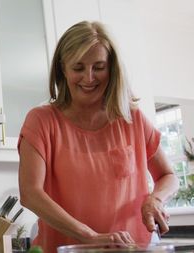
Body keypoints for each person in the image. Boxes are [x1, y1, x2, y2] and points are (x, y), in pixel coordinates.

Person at [18, 21, 179, 253]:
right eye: (79, 68)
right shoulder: (42, 121)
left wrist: (156, 200)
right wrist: (89, 237)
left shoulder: (131, 119)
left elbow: (168, 175)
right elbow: (30, 194)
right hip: (65, 249)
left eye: (99, 67)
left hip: (132, 248)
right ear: (63, 68)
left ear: (112, 68)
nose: (89, 77)